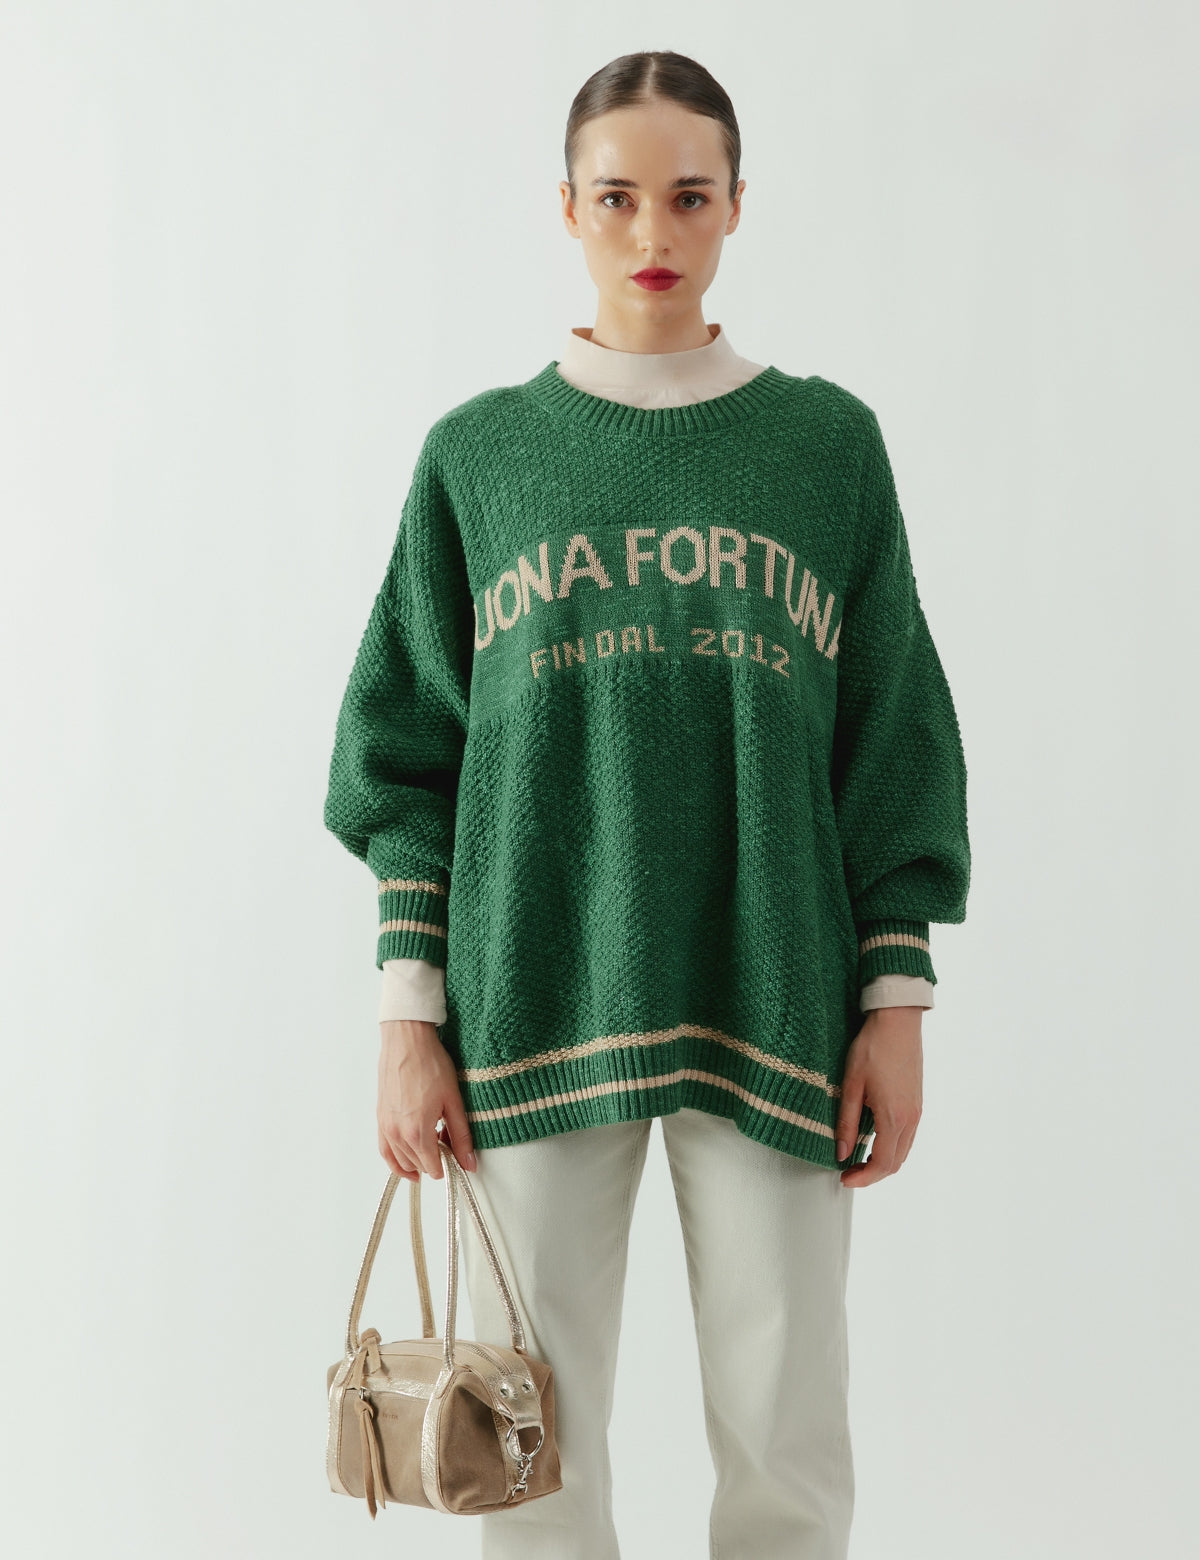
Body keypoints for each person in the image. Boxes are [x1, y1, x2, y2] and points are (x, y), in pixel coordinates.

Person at [323, 49, 970, 1560]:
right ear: (566, 208)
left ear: (738, 203)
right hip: (532, 995)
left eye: (688, 194)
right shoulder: (480, 457)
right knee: (529, 1447)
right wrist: (409, 1017)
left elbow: (889, 734)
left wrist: (897, 998)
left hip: (780, 991)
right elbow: (404, 749)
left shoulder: (826, 446)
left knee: (786, 1433)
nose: (652, 230)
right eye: (615, 197)